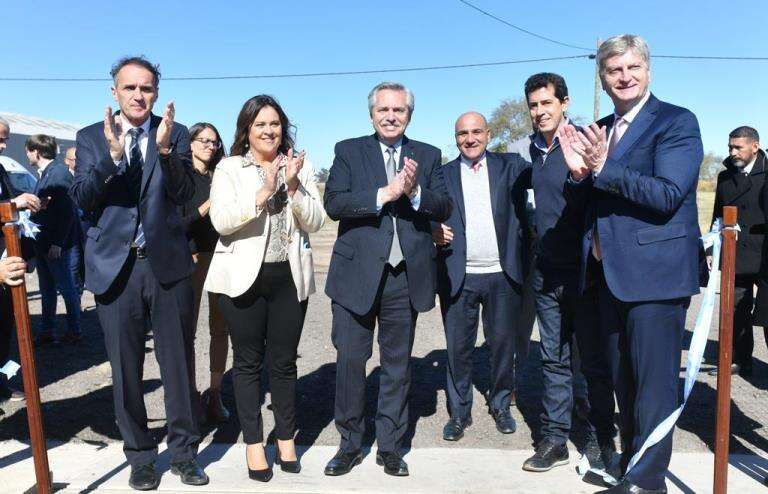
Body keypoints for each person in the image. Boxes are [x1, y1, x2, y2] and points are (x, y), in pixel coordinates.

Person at [560, 35, 703, 493]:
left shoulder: (676, 122)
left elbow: (666, 195)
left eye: (632, 67)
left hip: (656, 278)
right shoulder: (599, 128)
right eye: (613, 71)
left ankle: (646, 482)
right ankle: (633, 463)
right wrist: (580, 176)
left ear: (648, 70)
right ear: (601, 78)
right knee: (624, 383)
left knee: (655, 388)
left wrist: (602, 167)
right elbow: (588, 202)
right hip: (607, 278)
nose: (624, 77)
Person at [70, 56, 208, 490]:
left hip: (166, 265)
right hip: (116, 268)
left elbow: (186, 195)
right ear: (114, 92)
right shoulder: (91, 137)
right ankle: (141, 456)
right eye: (129, 88)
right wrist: (112, 156)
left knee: (178, 367)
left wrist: (165, 152)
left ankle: (184, 453)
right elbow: (84, 200)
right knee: (126, 370)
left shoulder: (175, 135)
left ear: (157, 93)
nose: (138, 96)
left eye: (146, 88)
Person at [323, 82, 452, 477]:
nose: (391, 116)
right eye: (384, 110)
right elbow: (334, 203)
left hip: (404, 276)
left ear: (409, 115)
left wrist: (413, 195)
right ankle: (349, 444)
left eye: (399, 110)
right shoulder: (348, 151)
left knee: (397, 365)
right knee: (350, 362)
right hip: (355, 275)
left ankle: (390, 446)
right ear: (372, 114)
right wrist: (386, 192)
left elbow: (444, 203)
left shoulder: (427, 155)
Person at [204, 95, 325, 482]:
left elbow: (316, 221)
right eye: (260, 124)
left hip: (288, 278)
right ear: (247, 130)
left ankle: (286, 439)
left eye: (274, 124)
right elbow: (221, 222)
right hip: (243, 279)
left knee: (285, 363)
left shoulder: (297, 168)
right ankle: (254, 445)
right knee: (247, 363)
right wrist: (261, 193)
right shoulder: (228, 168)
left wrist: (291, 187)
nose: (269, 130)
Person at [518, 73, 616, 473]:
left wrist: (581, 173)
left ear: (565, 103)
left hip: (584, 275)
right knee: (553, 360)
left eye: (547, 103)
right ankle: (555, 440)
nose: (540, 111)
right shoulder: (532, 152)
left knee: (592, 361)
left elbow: (600, 201)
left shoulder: (585, 145)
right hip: (546, 275)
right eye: (534, 105)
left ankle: (599, 438)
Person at [432, 111, 528, 442]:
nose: (469, 139)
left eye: (476, 132)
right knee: (458, 349)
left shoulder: (511, 166)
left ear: (488, 135)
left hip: (502, 275)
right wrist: (433, 230)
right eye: (462, 134)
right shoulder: (442, 175)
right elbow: (425, 212)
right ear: (455, 138)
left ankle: (501, 405)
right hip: (460, 274)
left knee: (503, 346)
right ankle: (459, 414)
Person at [179, 122, 229, 423]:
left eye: (214, 141)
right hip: (193, 257)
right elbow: (177, 221)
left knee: (220, 329)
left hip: (222, 255)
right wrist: (209, 205)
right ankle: (190, 395)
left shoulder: (221, 174)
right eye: (203, 140)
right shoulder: (181, 176)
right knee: (188, 331)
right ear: (191, 143)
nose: (209, 146)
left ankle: (215, 391)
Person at [708, 127, 765, 377]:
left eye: (738, 147)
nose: (732, 152)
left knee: (766, 313)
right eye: (730, 147)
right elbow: (717, 215)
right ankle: (742, 359)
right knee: (736, 310)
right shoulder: (724, 178)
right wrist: (711, 249)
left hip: (764, 256)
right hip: (736, 256)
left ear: (755, 146)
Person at [25, 134, 82, 345]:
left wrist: (58, 242)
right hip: (43, 244)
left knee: (66, 288)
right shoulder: (46, 174)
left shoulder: (57, 174)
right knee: (48, 288)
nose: (27, 155)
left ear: (36, 151)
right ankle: (47, 330)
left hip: (55, 245)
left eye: (28, 151)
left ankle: (74, 330)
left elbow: (67, 212)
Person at [0, 115, 41, 403]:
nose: (4, 145)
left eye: (6, 138)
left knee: (3, 330)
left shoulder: (1, 169)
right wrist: (15, 204)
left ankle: (1, 386)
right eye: (0, 137)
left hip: (6, 263)